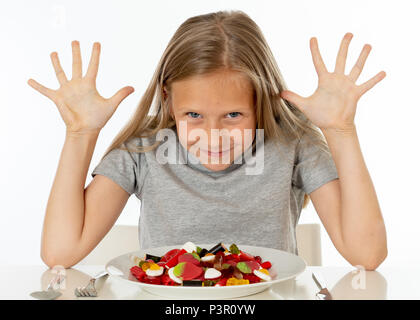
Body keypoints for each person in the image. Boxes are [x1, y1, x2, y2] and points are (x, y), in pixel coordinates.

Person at [27, 10, 387, 270]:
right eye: (193, 116)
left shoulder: (293, 144)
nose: (212, 136)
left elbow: (366, 255)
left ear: (260, 102)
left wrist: (341, 131)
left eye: (233, 115)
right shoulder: (145, 148)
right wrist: (81, 133)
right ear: (168, 100)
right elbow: (61, 253)